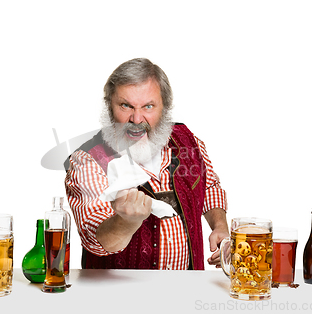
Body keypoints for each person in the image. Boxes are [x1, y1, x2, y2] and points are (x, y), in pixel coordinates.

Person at [65, 58, 228, 270]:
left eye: (148, 106)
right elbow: (94, 239)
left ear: (164, 108)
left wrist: (220, 226)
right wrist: (126, 222)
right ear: (109, 107)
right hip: (118, 298)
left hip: (188, 290)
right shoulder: (88, 160)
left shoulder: (189, 141)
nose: (136, 118)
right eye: (126, 105)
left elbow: (208, 187)